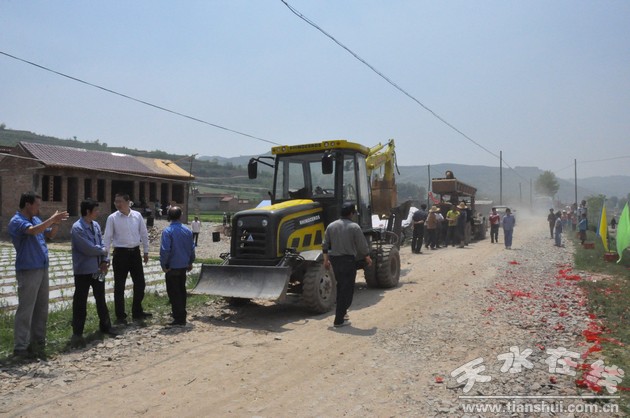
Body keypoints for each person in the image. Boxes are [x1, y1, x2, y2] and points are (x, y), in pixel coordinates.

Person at [8, 192, 68, 359]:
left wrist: (56, 223)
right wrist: (51, 219)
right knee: (26, 309)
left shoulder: (35, 219)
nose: (38, 208)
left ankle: (38, 342)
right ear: (27, 204)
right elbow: (33, 231)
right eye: (37, 204)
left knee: (41, 308)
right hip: (28, 269)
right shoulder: (17, 221)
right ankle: (20, 347)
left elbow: (49, 234)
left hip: (42, 268)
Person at [70, 199, 116, 348]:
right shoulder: (77, 228)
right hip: (83, 271)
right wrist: (104, 251)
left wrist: (105, 261)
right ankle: (78, 333)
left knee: (101, 298)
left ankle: (106, 326)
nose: (98, 212)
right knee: (80, 301)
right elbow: (87, 248)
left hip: (98, 270)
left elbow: (102, 243)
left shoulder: (95, 225)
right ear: (87, 212)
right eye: (96, 210)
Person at [103, 193, 151, 325]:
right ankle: (120, 316)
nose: (117, 204)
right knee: (119, 285)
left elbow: (144, 233)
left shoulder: (137, 216)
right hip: (120, 254)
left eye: (120, 201)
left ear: (128, 202)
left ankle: (137, 311)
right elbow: (107, 239)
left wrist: (146, 251)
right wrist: (106, 258)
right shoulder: (112, 218)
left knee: (140, 283)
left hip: (135, 253)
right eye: (116, 202)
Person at [322, 203, 372, 328]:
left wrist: (325, 260)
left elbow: (325, 245)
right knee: (347, 290)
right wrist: (367, 256)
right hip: (348, 261)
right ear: (351, 213)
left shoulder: (331, 226)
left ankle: (343, 314)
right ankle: (338, 320)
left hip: (335, 260)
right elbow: (361, 245)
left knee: (341, 287)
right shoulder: (354, 227)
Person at [160, 206, 196, 326]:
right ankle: (182, 315)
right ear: (180, 216)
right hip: (183, 266)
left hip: (172, 266)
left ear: (169, 216)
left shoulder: (167, 231)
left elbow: (165, 250)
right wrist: (190, 262)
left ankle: (178, 318)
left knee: (173, 292)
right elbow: (191, 249)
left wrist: (163, 264)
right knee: (181, 290)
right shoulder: (188, 231)